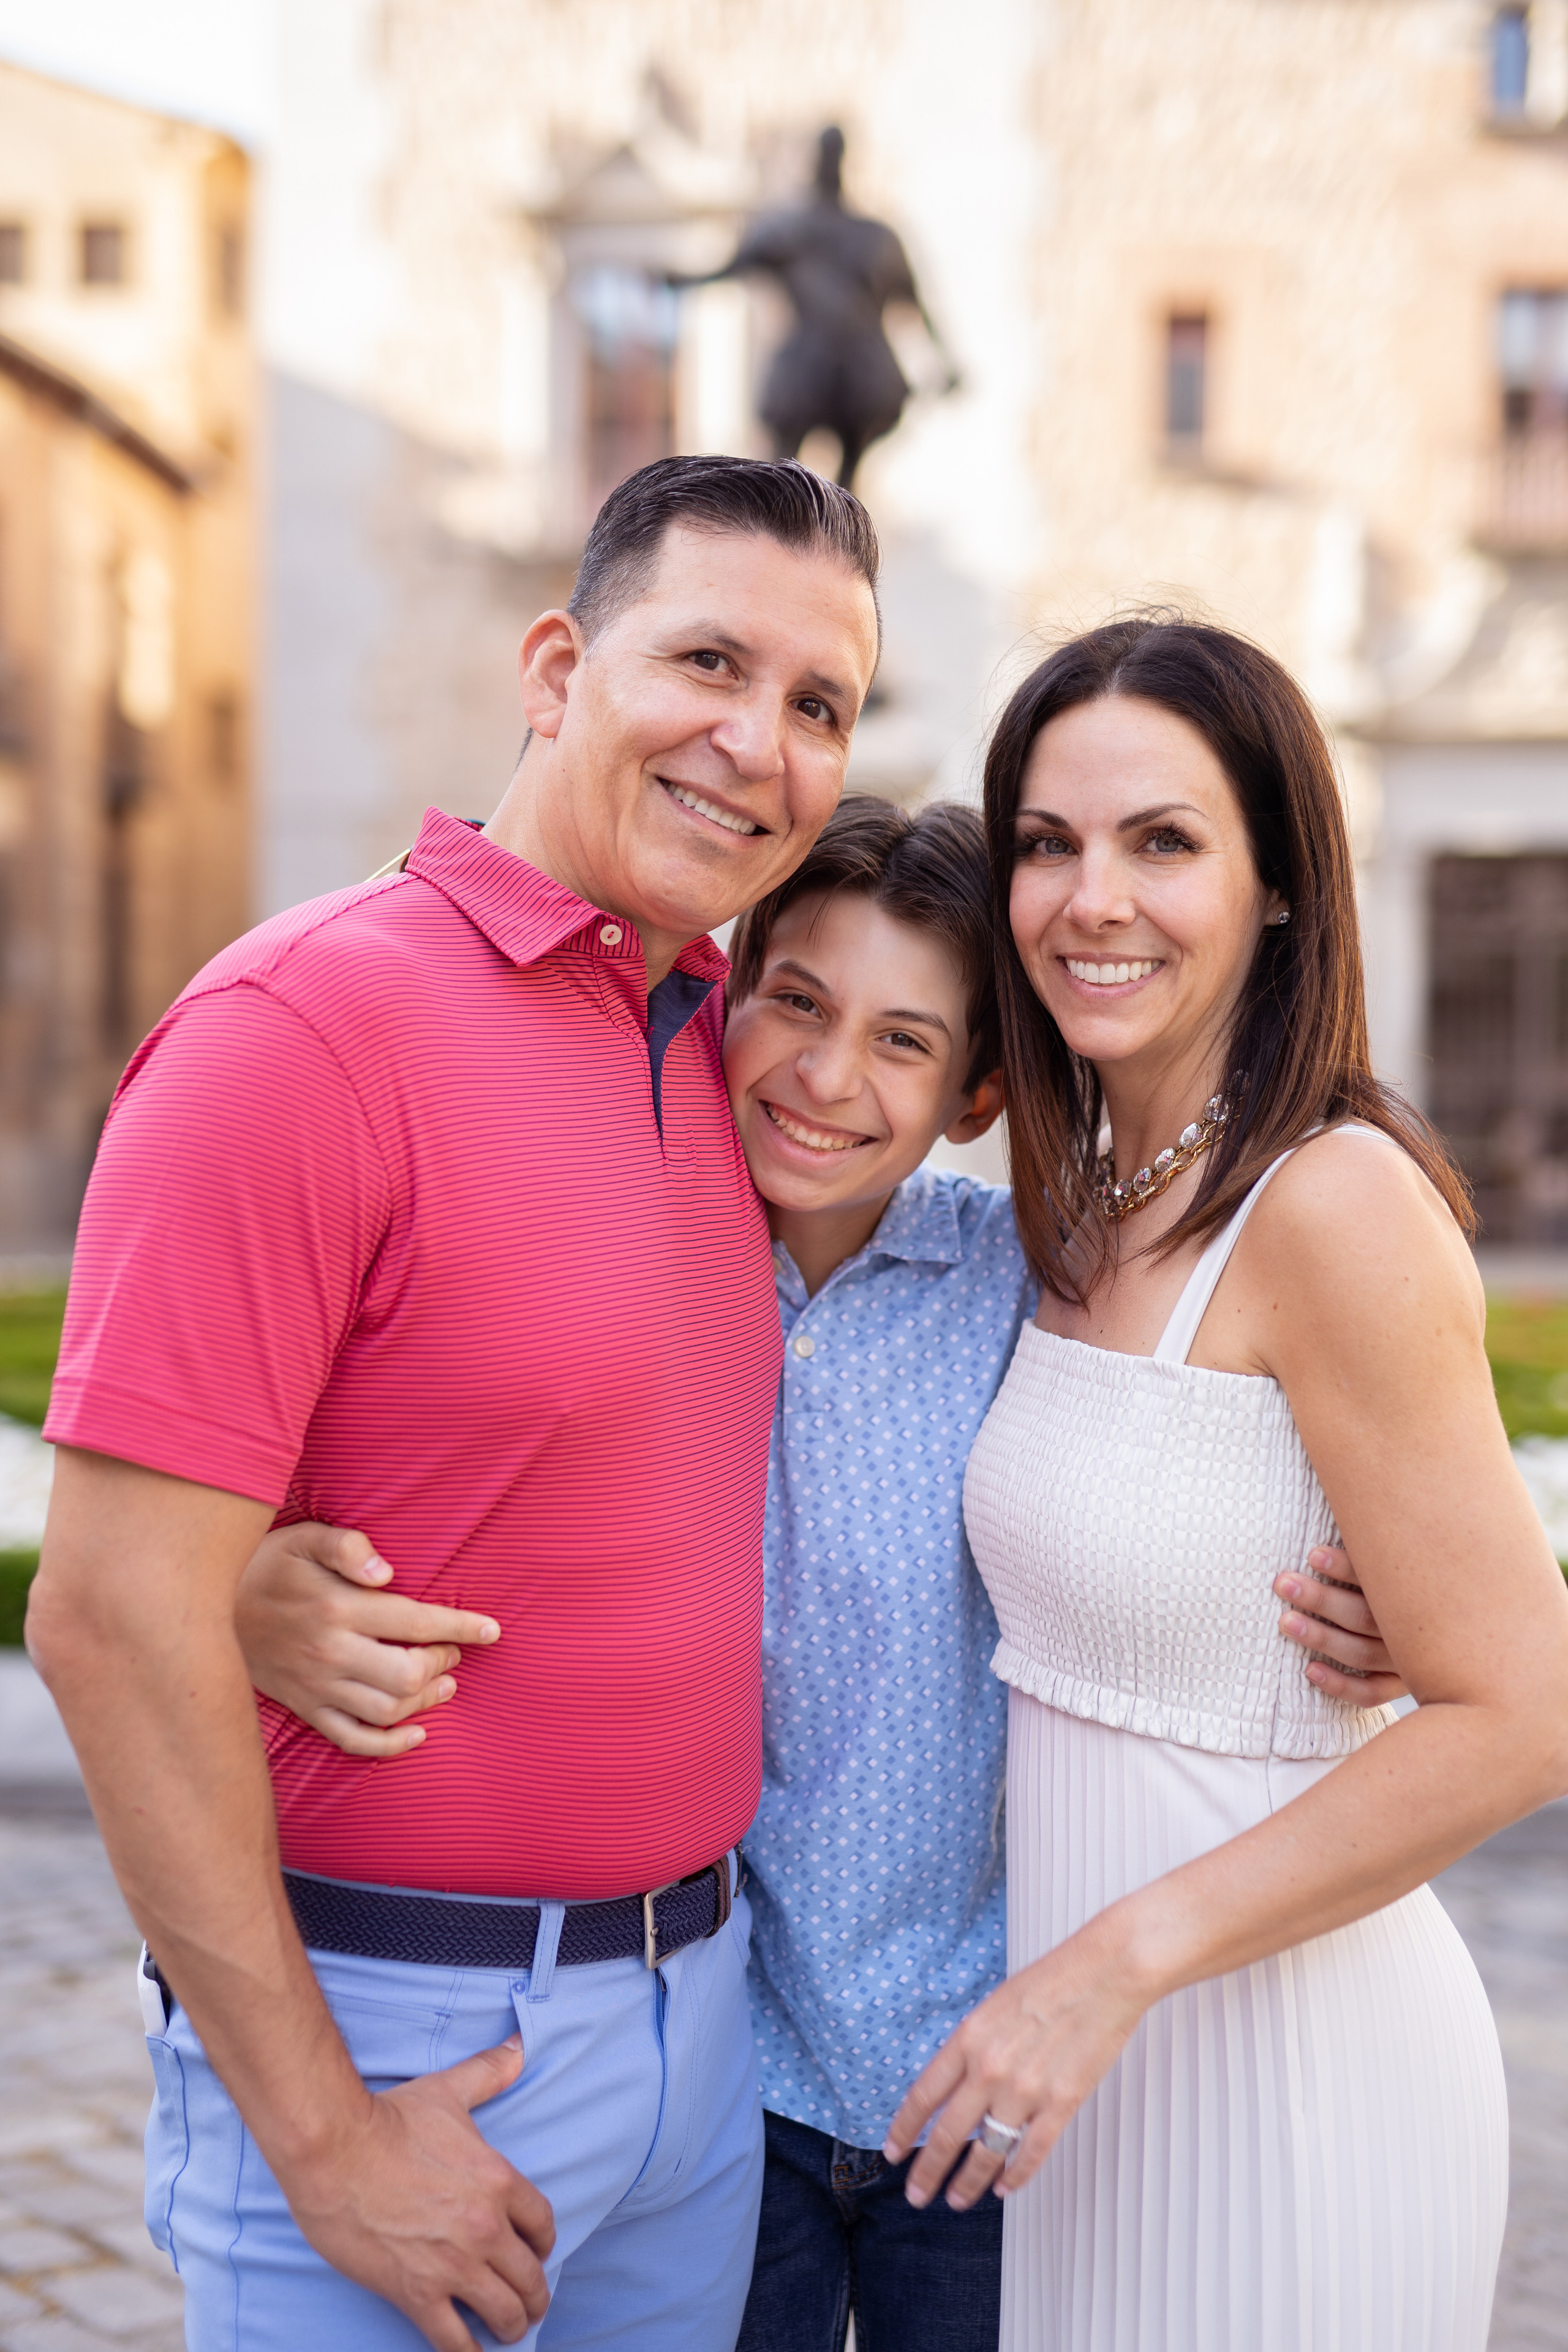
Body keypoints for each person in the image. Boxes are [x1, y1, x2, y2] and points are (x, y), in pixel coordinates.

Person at [234, 799, 1406, 2350]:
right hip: (730, 2066)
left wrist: (1369, 1603)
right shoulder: (611, 1240)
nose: (827, 1076)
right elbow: (371, 1430)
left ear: (978, 1092)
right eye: (796, 1002)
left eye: (902, 1041)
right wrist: (240, 1588)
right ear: (727, 995)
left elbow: (1190, 1475)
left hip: (982, 2070)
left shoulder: (1034, 1288)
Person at [26, 455, 882, 2352]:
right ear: (558, 669)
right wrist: (327, 2141)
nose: (760, 744)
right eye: (710, 663)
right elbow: (106, 1613)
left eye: (821, 704)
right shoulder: (299, 1030)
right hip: (396, 2036)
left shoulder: (745, 1063)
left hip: (702, 2038)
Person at [883, 617, 1568, 2351]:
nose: (1090, 899)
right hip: (1085, 2085)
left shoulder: (1331, 1202)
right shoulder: (1080, 1206)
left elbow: (1527, 1713)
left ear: (1276, 887)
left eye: (1163, 841)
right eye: (1049, 842)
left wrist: (1112, 1964)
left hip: (1286, 2078)